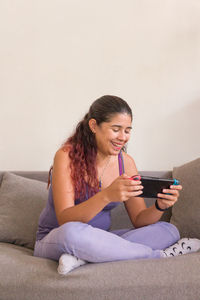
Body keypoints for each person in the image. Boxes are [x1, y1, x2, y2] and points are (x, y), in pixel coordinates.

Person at [34, 95, 200, 275]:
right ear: (93, 126)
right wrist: (106, 195)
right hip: (58, 237)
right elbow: (65, 219)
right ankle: (156, 255)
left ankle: (86, 257)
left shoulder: (126, 163)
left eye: (127, 130)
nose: (123, 137)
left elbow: (139, 220)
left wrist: (160, 206)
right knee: (71, 233)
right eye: (116, 129)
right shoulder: (66, 156)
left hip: (103, 240)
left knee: (168, 230)